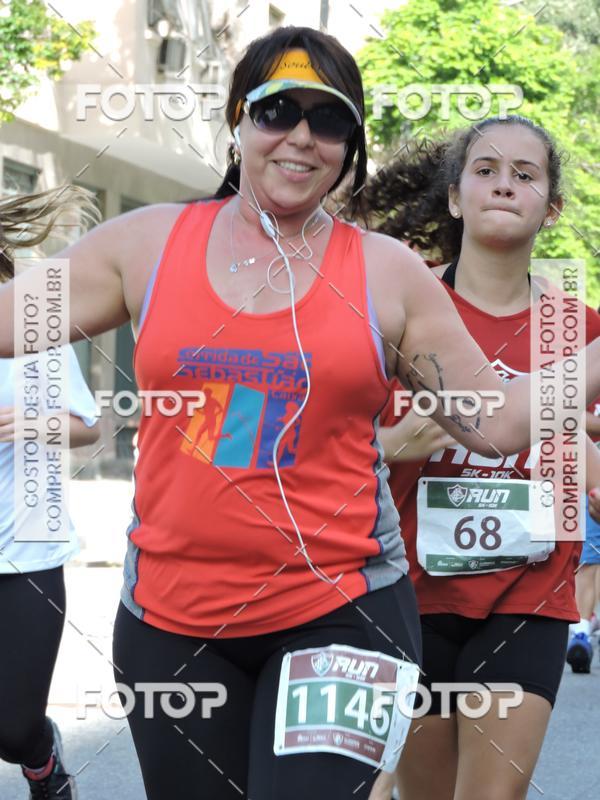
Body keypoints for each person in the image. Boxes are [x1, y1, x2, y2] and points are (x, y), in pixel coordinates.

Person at [1, 29, 599, 800]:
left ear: (350, 145)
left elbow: (498, 423)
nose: (302, 137)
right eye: (278, 110)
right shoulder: (144, 245)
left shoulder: (387, 273)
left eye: (330, 120)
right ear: (238, 120)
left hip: (343, 615)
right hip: (171, 623)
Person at [365, 116, 600, 800]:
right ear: (454, 197)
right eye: (486, 170)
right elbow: (323, 452)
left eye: (525, 175)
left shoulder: (578, 330)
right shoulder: (399, 310)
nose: (504, 185)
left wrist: (581, 455)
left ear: (551, 208)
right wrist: (396, 444)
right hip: (409, 593)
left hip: (528, 594)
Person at [0, 187, 99, 799]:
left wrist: (35, 422)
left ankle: (41, 761)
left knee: (12, 728)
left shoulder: (31, 326)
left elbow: (89, 425)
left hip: (25, 551)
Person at [566, 386, 600, 672]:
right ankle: (581, 632)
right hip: (591, 465)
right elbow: (569, 415)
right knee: (589, 554)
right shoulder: (590, 372)